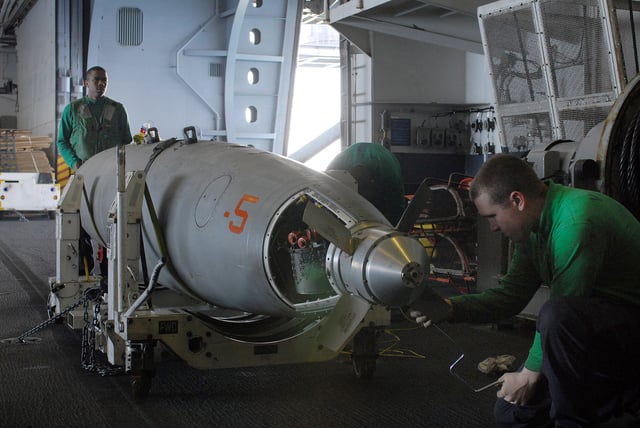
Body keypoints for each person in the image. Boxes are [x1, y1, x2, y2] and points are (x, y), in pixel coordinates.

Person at [410, 154, 640, 427]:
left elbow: (564, 312)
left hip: (628, 333)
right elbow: (510, 297)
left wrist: (530, 374)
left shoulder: (577, 221)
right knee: (511, 413)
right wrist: (450, 308)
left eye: (493, 216)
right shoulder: (532, 231)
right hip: (595, 336)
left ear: (517, 200)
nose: (493, 227)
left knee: (557, 315)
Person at [56, 66, 132, 275]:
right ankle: (84, 273)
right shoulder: (73, 110)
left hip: (110, 177)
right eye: (96, 80)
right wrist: (74, 163)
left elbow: (126, 140)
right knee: (80, 227)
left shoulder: (117, 109)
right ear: (86, 83)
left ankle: (110, 274)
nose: (101, 84)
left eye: (104, 81)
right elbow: (62, 141)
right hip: (83, 177)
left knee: (111, 225)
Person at [326, 142, 406, 225]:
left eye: (363, 189)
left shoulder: (388, 172)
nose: (361, 194)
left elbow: (397, 210)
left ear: (373, 182)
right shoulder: (336, 169)